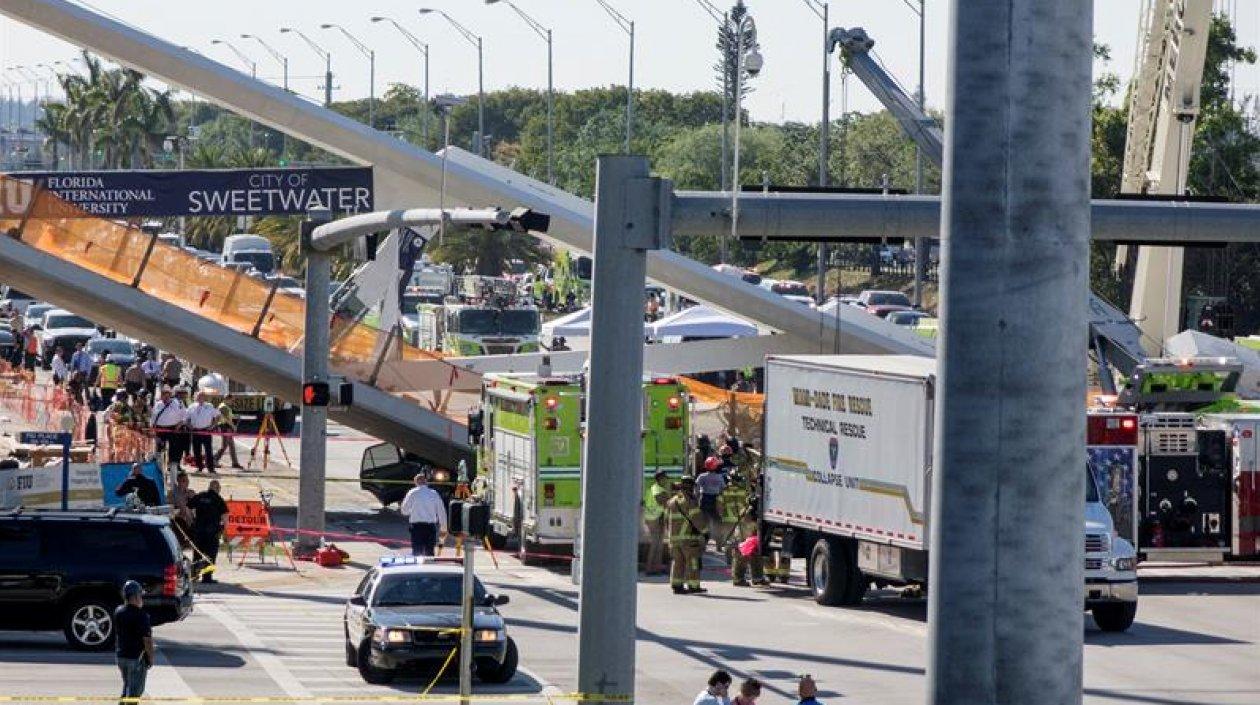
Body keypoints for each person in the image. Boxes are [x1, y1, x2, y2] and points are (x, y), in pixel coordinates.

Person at [115, 580, 155, 702]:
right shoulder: (142, 616)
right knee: (134, 694)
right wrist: (151, 658)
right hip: (136, 659)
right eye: (140, 596)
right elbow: (147, 640)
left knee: (127, 687)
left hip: (121, 657)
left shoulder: (118, 611)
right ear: (136, 597)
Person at [666, 477, 706, 595]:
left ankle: (677, 585)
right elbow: (698, 519)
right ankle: (693, 586)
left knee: (677, 562)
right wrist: (705, 532)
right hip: (688, 539)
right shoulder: (690, 501)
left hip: (674, 539)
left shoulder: (672, 501)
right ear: (690, 487)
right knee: (692, 562)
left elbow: (666, 519)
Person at [400, 471, 448, 557]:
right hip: (430, 527)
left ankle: (417, 569)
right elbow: (441, 512)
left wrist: (413, 511)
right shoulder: (434, 493)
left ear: (416, 483)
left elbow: (404, 511)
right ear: (426, 482)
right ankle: (429, 568)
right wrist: (443, 528)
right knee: (429, 552)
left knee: (417, 552)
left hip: (416, 527)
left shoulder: (412, 493)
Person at [189, 480, 228, 583]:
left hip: (199, 531)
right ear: (218, 489)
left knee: (197, 554)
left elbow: (188, 507)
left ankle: (194, 575)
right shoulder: (219, 499)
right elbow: (225, 517)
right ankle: (207, 577)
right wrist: (224, 531)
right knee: (210, 555)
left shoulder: (200, 496)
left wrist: (192, 520)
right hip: (212, 532)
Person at [642, 470, 671, 575]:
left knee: (658, 545)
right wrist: (668, 495)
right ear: (660, 479)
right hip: (655, 519)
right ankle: (650, 568)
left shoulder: (652, 488)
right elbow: (664, 502)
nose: (666, 480)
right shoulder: (657, 490)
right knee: (655, 545)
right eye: (665, 478)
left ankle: (656, 568)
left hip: (653, 518)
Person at [151, 387, 187, 469]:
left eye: (167, 395)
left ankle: (172, 466)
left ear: (170, 395)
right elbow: (153, 417)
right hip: (160, 429)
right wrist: (153, 428)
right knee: (159, 448)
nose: (165, 397)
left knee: (174, 448)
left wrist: (179, 425)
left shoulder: (178, 403)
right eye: (163, 395)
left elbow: (184, 416)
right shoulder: (158, 404)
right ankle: (158, 466)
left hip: (173, 428)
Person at [185, 391, 218, 474]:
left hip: (206, 430)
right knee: (196, 451)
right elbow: (186, 418)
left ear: (204, 397)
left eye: (201, 396)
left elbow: (218, 416)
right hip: (195, 431)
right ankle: (199, 467)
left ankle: (211, 468)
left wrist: (212, 426)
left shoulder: (209, 406)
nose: (200, 398)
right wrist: (189, 426)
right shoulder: (191, 406)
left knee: (208, 450)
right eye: (198, 396)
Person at [214, 395, 243, 469]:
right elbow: (227, 419)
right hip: (225, 427)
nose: (232, 402)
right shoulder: (223, 406)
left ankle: (235, 463)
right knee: (224, 446)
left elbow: (229, 416)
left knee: (231, 446)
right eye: (231, 400)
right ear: (227, 399)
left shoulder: (226, 406)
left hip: (227, 427)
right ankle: (214, 459)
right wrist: (234, 426)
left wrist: (236, 416)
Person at [696, 456, 727, 526]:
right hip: (715, 499)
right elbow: (723, 488)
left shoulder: (702, 476)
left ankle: (706, 532)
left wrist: (696, 497)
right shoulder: (719, 477)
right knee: (716, 518)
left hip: (704, 498)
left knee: (704, 517)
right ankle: (717, 533)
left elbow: (696, 488)